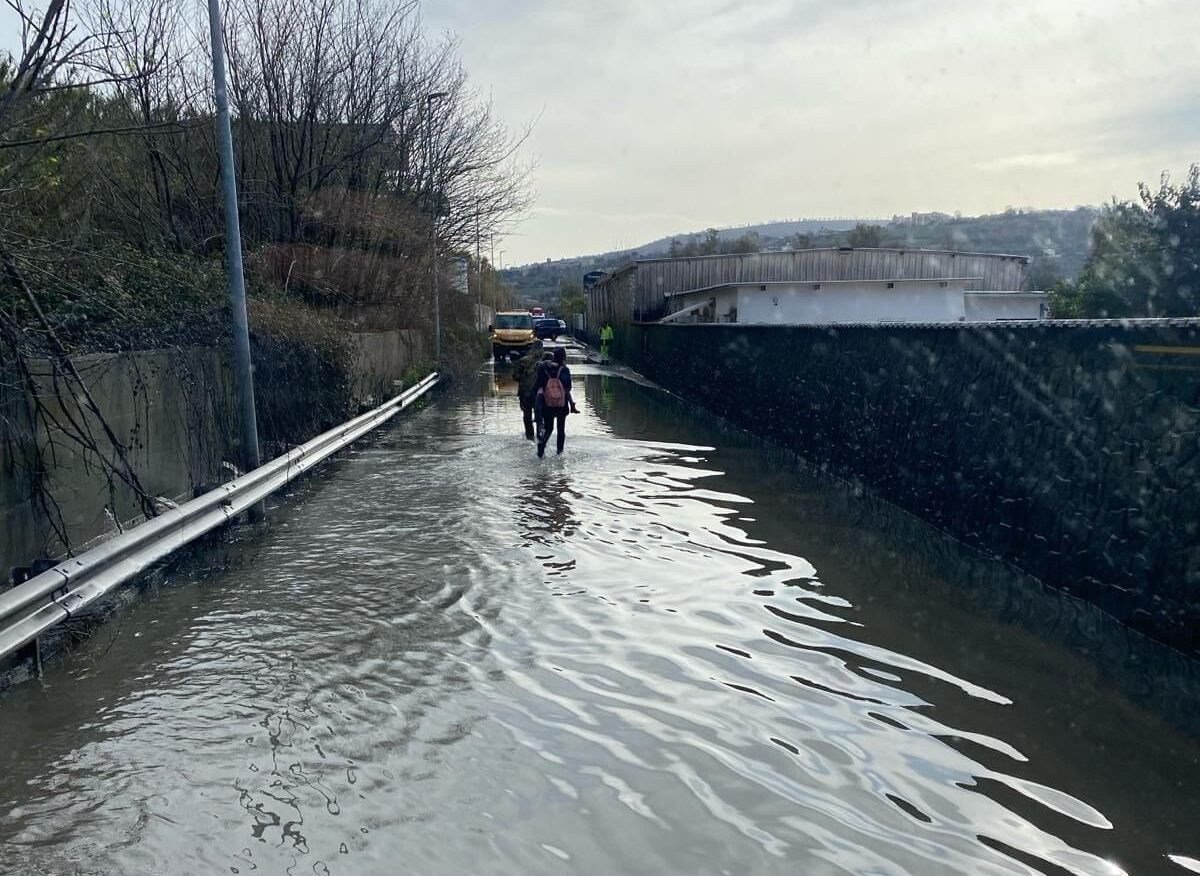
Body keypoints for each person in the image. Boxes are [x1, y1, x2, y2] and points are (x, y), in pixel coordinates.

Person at [535, 346, 573, 457]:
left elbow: (539, 384)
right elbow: (568, 387)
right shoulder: (564, 369)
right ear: (563, 358)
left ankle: (542, 443)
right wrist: (571, 403)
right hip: (561, 404)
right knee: (561, 429)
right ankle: (559, 452)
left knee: (549, 427)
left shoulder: (545, 368)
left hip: (548, 403)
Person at [512, 340, 544, 439]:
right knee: (540, 415)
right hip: (540, 393)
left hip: (525, 393)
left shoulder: (523, 361)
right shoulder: (545, 362)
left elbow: (515, 377)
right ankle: (540, 435)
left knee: (527, 415)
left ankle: (529, 436)